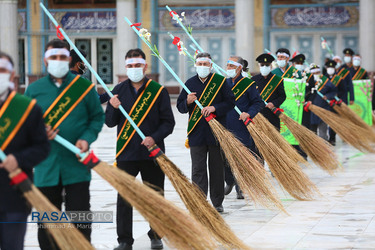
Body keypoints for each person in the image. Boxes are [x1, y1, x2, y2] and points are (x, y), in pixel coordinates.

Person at [24, 39, 104, 249]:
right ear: (45, 60)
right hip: (46, 167)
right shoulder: (34, 90)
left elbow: (96, 118)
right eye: (53, 57)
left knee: (80, 221)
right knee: (48, 225)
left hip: (76, 166)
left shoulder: (84, 88)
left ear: (68, 59)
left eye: (61, 57)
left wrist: (86, 139)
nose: (57, 61)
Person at [106, 48, 175, 250]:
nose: (134, 69)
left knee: (155, 196)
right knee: (124, 197)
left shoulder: (158, 91)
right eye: (130, 66)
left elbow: (168, 123)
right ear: (125, 67)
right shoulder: (118, 90)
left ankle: (156, 235)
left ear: (145, 66)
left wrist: (154, 137)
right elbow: (110, 123)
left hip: (152, 153)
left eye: (137, 65)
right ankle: (125, 240)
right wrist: (111, 105)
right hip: (126, 153)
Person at [0, 52, 50, 250]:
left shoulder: (27, 108)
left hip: (16, 193)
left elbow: (42, 147)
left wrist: (18, 159)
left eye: (2, 70)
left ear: (12, 76)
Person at [177, 52, 235, 213]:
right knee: (198, 169)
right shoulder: (189, 83)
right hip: (196, 132)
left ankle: (217, 202)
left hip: (216, 132)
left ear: (211, 65)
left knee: (216, 168)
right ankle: (199, 201)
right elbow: (180, 107)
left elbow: (230, 102)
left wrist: (215, 108)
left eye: (205, 64)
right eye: (200, 64)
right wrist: (187, 102)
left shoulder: (220, 81)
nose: (202, 67)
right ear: (195, 65)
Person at [224, 56, 264, 199]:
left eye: (230, 66)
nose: (227, 68)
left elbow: (257, 103)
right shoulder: (224, 83)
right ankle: (230, 180)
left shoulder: (248, 84)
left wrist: (249, 113)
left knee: (241, 158)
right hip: (224, 125)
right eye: (227, 65)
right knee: (226, 158)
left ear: (239, 68)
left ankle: (241, 186)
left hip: (241, 125)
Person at [252, 53, 286, 131]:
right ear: (259, 66)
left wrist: (273, 103)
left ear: (271, 66)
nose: (264, 67)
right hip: (258, 115)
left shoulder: (277, 80)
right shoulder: (253, 80)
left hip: (272, 115)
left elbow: (282, 96)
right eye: (262, 65)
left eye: (267, 65)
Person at [305, 64, 336, 141]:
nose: (316, 74)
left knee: (323, 132)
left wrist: (328, 96)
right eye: (314, 73)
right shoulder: (307, 81)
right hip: (311, 110)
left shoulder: (325, 81)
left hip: (323, 108)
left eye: (318, 72)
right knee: (312, 132)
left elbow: (334, 91)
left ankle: (324, 146)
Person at [325, 59, 346, 145]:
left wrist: (336, 95)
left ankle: (332, 138)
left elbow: (343, 90)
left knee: (333, 121)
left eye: (332, 67)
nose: (330, 69)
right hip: (325, 103)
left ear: (335, 68)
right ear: (326, 68)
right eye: (329, 67)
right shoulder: (323, 78)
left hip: (334, 103)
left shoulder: (339, 79)